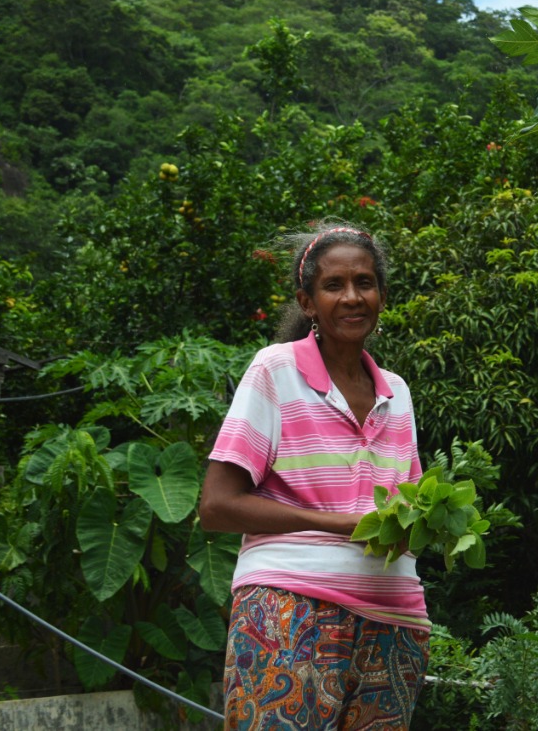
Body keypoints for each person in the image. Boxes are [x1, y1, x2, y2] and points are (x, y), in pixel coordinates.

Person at [199, 222, 429, 731]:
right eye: (334, 285)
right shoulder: (274, 372)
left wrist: (432, 526)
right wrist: (339, 523)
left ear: (382, 296)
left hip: (395, 619)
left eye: (365, 283)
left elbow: (409, 511)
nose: (352, 297)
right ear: (307, 302)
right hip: (289, 609)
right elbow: (216, 506)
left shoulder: (398, 392)